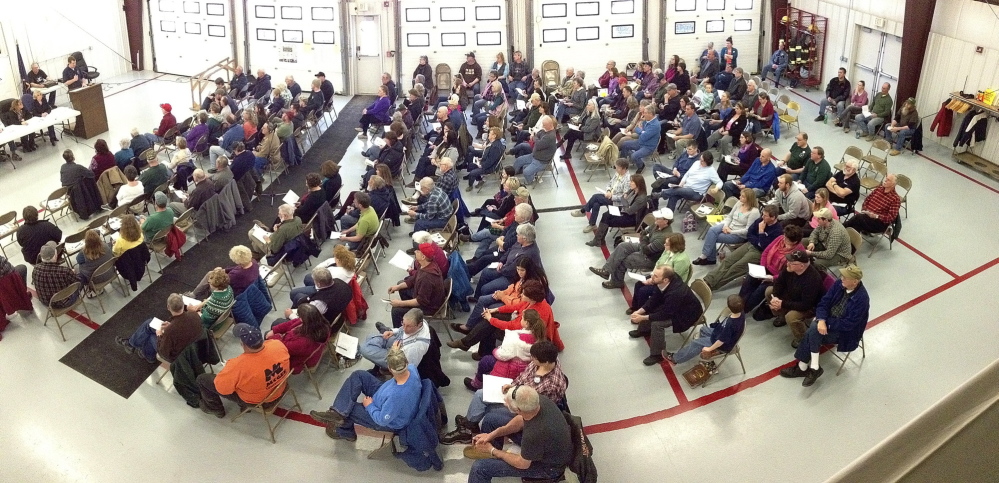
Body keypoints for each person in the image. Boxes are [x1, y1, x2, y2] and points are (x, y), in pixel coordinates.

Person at [464, 383, 571, 483]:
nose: (505, 404)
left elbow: (522, 463)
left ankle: (491, 455)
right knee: (491, 419)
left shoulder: (534, 433)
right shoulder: (536, 400)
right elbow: (520, 420)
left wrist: (493, 451)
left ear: (518, 410)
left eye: (507, 404)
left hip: (549, 468)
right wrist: (491, 435)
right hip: (547, 446)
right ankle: (489, 455)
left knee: (479, 468)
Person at [781, 265, 869, 387]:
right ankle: (813, 367)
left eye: (845, 277)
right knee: (814, 329)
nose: (841, 278)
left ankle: (803, 367)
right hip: (828, 321)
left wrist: (825, 322)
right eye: (842, 275)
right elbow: (824, 302)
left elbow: (848, 324)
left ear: (855, 281)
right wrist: (822, 319)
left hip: (845, 333)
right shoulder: (839, 284)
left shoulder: (862, 300)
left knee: (813, 330)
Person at [310, 348, 422, 441]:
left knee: (349, 409)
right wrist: (396, 353)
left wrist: (369, 405)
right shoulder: (412, 369)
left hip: (386, 419)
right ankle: (337, 413)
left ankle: (345, 432)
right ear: (406, 362)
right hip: (383, 393)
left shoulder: (396, 397)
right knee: (359, 375)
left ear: (389, 369)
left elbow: (382, 420)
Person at [197, 323, 290, 417]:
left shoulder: (237, 365)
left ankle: (215, 409)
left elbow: (223, 389)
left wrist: (227, 372)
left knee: (202, 379)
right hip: (281, 387)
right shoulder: (277, 345)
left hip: (261, 401)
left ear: (243, 344)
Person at [628, 265, 702, 365]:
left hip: (686, 315)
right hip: (675, 307)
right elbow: (654, 299)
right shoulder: (668, 279)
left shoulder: (675, 293)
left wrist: (643, 317)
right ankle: (645, 330)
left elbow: (666, 314)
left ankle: (657, 355)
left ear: (665, 280)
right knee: (652, 309)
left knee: (657, 324)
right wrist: (640, 311)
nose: (652, 277)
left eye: (655, 276)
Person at [702, 204, 782, 290]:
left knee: (736, 267)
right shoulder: (760, 220)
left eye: (765, 216)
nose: (762, 217)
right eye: (763, 214)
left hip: (759, 252)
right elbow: (750, 234)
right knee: (728, 261)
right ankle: (708, 279)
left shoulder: (777, 231)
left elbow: (764, 246)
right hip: (749, 244)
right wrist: (757, 241)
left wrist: (761, 231)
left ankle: (712, 286)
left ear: (773, 217)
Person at [755, 249, 825, 348]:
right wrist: (775, 297)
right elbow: (779, 282)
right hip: (793, 295)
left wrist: (782, 303)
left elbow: (806, 304)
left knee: (792, 317)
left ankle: (802, 338)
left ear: (801, 266)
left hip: (809, 306)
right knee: (769, 291)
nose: (788, 263)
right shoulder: (789, 268)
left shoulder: (812, 280)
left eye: (792, 262)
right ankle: (781, 315)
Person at [590, 208, 673, 289]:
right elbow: (643, 233)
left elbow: (646, 250)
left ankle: (617, 282)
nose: (656, 218)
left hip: (650, 258)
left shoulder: (664, 237)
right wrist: (645, 238)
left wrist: (645, 238)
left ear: (665, 221)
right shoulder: (656, 224)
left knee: (625, 259)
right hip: (644, 246)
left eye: (659, 218)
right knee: (622, 246)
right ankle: (606, 270)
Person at [116, 293, 204, 364]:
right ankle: (133, 345)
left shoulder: (171, 330)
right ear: (182, 305)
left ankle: (141, 351)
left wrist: (159, 334)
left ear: (168, 307)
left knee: (151, 335)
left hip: (177, 357)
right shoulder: (194, 315)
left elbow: (163, 351)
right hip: (193, 349)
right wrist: (170, 325)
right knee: (150, 324)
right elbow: (184, 327)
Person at [739, 225, 805, 311]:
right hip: (766, 268)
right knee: (749, 279)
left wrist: (772, 278)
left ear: (794, 241)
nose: (783, 239)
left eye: (787, 239)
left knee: (760, 290)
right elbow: (765, 252)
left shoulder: (799, 252)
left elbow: (789, 273)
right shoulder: (780, 239)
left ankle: (744, 310)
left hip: (779, 277)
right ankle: (738, 304)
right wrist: (762, 268)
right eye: (784, 236)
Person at [667, 295, 746, 365]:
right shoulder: (740, 312)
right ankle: (702, 349)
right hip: (718, 333)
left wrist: (709, 349)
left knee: (696, 343)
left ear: (729, 308)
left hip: (723, 344)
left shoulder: (730, 325)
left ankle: (675, 359)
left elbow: (721, 341)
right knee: (703, 329)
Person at [627, 233, 691, 314]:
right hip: (659, 276)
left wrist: (652, 281)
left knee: (643, 291)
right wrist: (652, 276)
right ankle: (636, 307)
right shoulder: (667, 250)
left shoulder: (681, 260)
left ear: (674, 246)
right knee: (638, 284)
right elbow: (658, 263)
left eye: (666, 244)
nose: (664, 245)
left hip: (668, 284)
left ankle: (643, 312)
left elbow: (672, 279)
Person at [693, 188, 760, 265]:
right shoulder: (739, 203)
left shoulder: (754, 212)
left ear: (749, 199)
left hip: (739, 234)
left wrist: (731, 231)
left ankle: (709, 258)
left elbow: (748, 230)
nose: (739, 197)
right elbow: (730, 216)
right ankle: (705, 256)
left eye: (742, 196)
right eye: (740, 195)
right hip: (729, 226)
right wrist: (725, 226)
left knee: (713, 237)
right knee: (712, 230)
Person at [387, 243, 445, 327]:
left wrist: (400, 303)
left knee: (396, 310)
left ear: (423, 257)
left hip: (429, 307)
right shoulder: (427, 265)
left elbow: (420, 301)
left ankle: (401, 333)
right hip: (427, 298)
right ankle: (409, 318)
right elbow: (412, 280)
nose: (415, 251)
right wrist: (397, 287)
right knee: (401, 285)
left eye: (418, 251)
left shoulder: (426, 277)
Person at [265, 304, 331, 373]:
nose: (299, 318)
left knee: (266, 339)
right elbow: (294, 322)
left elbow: (282, 346)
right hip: (296, 348)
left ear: (303, 319)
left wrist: (272, 337)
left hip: (293, 361)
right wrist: (275, 330)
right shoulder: (323, 324)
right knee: (277, 322)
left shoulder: (302, 341)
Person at [587, 175, 649, 247]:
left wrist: (624, 201)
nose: (630, 183)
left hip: (631, 218)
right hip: (624, 210)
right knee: (606, 214)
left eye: (632, 181)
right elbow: (623, 198)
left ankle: (598, 241)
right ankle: (598, 240)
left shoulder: (641, 198)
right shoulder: (632, 190)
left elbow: (629, 211)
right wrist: (625, 201)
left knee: (607, 220)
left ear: (638, 183)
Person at [571, 158, 631, 232]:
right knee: (596, 203)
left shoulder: (628, 180)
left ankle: (583, 211)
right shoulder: (617, 174)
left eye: (618, 168)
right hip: (609, 196)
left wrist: (612, 197)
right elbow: (609, 183)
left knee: (596, 197)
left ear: (624, 168)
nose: (616, 169)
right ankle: (592, 224)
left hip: (617, 203)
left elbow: (624, 198)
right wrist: (608, 190)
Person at [361, 308, 430, 370]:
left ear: (419, 325)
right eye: (403, 323)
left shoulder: (416, 347)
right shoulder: (420, 322)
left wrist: (394, 351)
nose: (404, 328)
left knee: (364, 349)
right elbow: (402, 329)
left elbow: (408, 368)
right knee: (370, 337)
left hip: (398, 357)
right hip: (399, 340)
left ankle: (382, 364)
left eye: (408, 326)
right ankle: (380, 361)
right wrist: (393, 331)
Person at [190, 245, 259, 300]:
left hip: (232, 292)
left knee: (210, 276)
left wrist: (217, 272)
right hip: (245, 289)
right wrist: (224, 270)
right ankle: (196, 293)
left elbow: (223, 281)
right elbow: (237, 268)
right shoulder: (253, 262)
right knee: (211, 274)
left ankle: (194, 294)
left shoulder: (237, 274)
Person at [33, 242, 80, 308]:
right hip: (64, 302)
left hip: (46, 302)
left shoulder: (36, 268)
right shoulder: (64, 271)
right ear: (55, 256)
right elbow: (78, 283)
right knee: (80, 277)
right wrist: (72, 273)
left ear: (41, 257)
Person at [512, 116, 557, 182]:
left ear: (550, 125)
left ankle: (531, 180)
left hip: (542, 161)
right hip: (534, 155)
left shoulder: (550, 136)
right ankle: (511, 175)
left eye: (544, 125)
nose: (543, 126)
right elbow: (537, 135)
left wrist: (533, 138)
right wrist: (536, 138)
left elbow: (538, 144)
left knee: (526, 172)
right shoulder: (544, 130)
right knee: (519, 160)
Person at [619, 104, 660, 174]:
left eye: (645, 113)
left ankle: (641, 166)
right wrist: (641, 131)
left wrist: (640, 130)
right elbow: (639, 130)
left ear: (650, 114)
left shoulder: (655, 125)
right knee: (624, 144)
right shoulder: (646, 121)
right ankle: (623, 163)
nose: (643, 114)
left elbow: (643, 135)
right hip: (641, 142)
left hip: (648, 147)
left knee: (634, 156)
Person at [59, 151, 98, 219]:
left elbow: (62, 180)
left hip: (68, 191)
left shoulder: (63, 167)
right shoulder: (78, 167)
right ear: (73, 157)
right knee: (87, 180)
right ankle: (94, 204)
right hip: (78, 191)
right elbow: (91, 174)